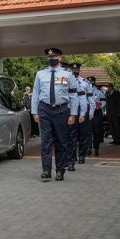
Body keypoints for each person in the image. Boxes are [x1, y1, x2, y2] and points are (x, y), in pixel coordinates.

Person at [31, 48, 78, 182]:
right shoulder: (40, 74)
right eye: (49, 56)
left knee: (61, 141)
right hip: (44, 109)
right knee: (45, 141)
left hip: (62, 110)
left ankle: (60, 170)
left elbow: (73, 95)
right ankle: (46, 170)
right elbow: (35, 93)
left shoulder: (68, 74)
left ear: (60, 58)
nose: (52, 58)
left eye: (54, 56)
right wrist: (35, 112)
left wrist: (73, 114)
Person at [66, 62, 88, 171]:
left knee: (81, 135)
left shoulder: (83, 82)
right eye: (73, 70)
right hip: (66, 111)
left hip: (78, 110)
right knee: (70, 136)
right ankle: (72, 158)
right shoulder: (63, 81)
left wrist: (83, 113)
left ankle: (82, 155)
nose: (74, 71)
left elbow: (83, 99)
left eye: (76, 70)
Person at [87, 76, 105, 156]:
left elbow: (104, 102)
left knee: (96, 132)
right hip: (87, 112)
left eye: (92, 82)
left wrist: (100, 106)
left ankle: (96, 148)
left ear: (94, 82)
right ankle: (88, 148)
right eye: (89, 82)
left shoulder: (99, 92)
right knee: (88, 131)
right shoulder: (84, 91)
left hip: (97, 113)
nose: (91, 83)